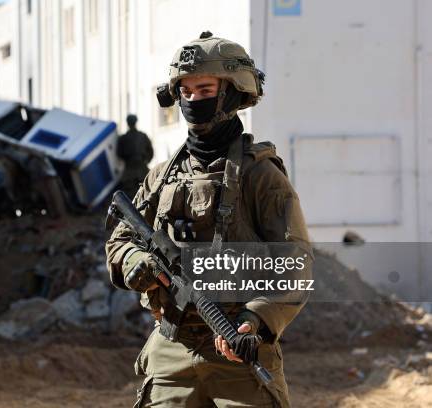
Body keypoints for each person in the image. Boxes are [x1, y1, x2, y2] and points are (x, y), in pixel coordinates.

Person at [105, 31, 312, 407]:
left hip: (238, 350)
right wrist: (138, 262)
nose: (193, 99)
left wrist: (254, 320)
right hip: (170, 349)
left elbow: (296, 263)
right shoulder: (161, 176)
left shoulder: (261, 176)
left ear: (232, 92)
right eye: (185, 91)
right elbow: (120, 240)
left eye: (204, 89)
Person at [116, 114, 154, 199]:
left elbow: (119, 153)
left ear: (128, 123)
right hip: (140, 168)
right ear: (135, 122)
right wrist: (146, 161)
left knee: (131, 196)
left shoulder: (123, 138)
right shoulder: (142, 136)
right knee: (145, 192)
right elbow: (151, 151)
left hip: (130, 170)